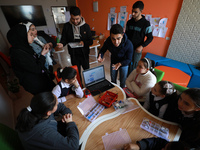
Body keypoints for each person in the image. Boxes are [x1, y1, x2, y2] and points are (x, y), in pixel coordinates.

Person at [7, 24, 55, 95]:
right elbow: (37, 69)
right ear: (22, 37)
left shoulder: (25, 48)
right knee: (50, 99)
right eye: (30, 34)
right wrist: (42, 55)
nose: (33, 36)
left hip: (41, 79)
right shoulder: (18, 54)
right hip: (36, 85)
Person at [57, 6, 93, 83]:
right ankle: (79, 87)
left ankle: (89, 85)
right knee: (76, 73)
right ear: (70, 16)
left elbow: (91, 41)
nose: (75, 21)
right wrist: (62, 44)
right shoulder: (67, 26)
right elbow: (64, 39)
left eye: (77, 19)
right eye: (73, 19)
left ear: (80, 16)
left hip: (84, 54)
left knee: (87, 72)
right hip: (74, 54)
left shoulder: (86, 26)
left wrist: (84, 42)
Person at [97, 24, 133, 88]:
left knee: (123, 81)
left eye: (118, 39)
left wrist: (120, 64)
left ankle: (122, 92)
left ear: (122, 35)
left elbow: (129, 59)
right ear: (110, 36)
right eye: (113, 39)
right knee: (113, 80)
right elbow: (102, 50)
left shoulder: (129, 44)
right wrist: (100, 56)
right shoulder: (108, 41)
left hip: (124, 63)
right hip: (114, 61)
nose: (116, 42)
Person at [126, 1, 153, 74]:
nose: (133, 14)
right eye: (132, 11)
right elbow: (126, 35)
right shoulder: (129, 22)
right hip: (128, 48)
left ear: (141, 11)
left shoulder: (146, 23)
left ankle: (133, 80)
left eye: (135, 12)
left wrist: (142, 46)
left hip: (137, 49)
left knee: (136, 66)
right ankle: (126, 79)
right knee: (127, 63)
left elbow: (150, 38)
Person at [123, 137, 190, 150]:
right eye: (165, 147)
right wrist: (139, 146)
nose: (162, 149)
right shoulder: (166, 144)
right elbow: (156, 142)